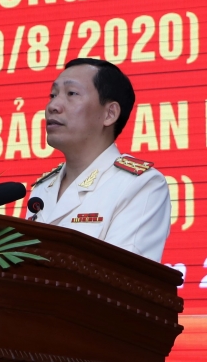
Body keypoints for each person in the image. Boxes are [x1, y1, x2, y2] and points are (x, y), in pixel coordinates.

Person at [27, 58, 171, 262]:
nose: (53, 106)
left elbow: (122, 275)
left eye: (71, 94)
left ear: (109, 114)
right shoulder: (43, 189)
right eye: (53, 95)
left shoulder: (141, 184)